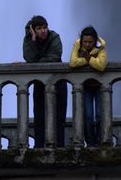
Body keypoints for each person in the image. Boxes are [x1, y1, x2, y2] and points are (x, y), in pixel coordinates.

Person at [23, 15, 67, 148]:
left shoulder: (54, 37)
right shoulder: (29, 40)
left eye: (45, 27)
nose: (43, 31)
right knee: (39, 117)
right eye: (39, 28)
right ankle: (39, 147)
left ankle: (59, 147)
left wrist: (37, 63)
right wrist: (33, 41)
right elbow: (29, 58)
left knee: (59, 117)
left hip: (58, 81)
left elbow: (54, 57)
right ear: (33, 30)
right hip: (39, 83)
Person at [68, 26, 107, 146]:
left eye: (90, 42)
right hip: (85, 86)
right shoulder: (77, 45)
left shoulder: (100, 47)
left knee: (100, 114)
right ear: (81, 40)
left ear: (95, 40)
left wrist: (87, 57)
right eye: (85, 41)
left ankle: (100, 141)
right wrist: (90, 60)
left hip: (99, 85)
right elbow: (73, 62)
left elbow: (101, 66)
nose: (87, 44)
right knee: (88, 115)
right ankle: (90, 143)